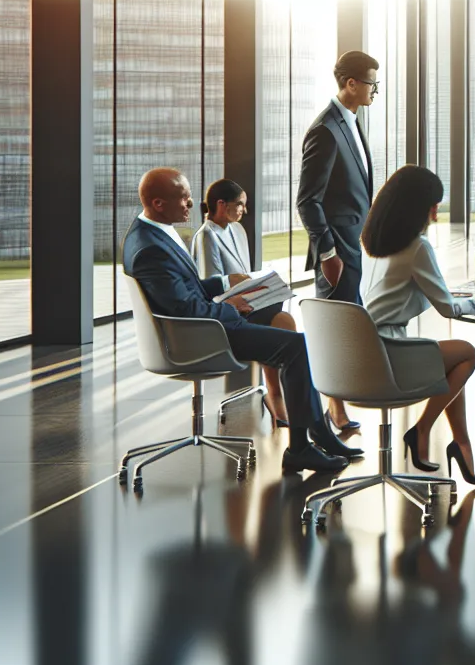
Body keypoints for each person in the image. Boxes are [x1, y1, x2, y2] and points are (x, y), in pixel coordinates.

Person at [123, 168, 360, 474]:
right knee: (297, 348)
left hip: (203, 324)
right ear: (158, 203)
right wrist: (230, 308)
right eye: (184, 198)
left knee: (277, 314)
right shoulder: (150, 249)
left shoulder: (152, 234)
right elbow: (186, 309)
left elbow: (184, 291)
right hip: (199, 335)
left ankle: (318, 434)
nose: (192, 203)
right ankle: (303, 447)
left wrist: (225, 284)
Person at [360, 165, 475, 486]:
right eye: (433, 205)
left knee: (449, 362)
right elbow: (447, 308)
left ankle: (461, 444)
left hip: (363, 350)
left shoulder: (372, 246)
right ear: (415, 209)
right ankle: (422, 429)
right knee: (466, 354)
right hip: (389, 354)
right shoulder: (418, 247)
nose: (437, 212)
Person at [296, 49, 379, 433]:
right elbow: (307, 201)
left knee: (344, 327)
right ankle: (331, 411)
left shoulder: (350, 122)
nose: (374, 91)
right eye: (372, 84)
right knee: (334, 330)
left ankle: (336, 406)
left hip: (350, 245)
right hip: (337, 252)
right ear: (351, 83)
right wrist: (328, 253)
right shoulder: (326, 130)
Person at [191, 178, 291, 426]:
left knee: (284, 320)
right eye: (240, 204)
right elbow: (212, 287)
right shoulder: (206, 236)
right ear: (221, 204)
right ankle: (276, 395)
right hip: (225, 316)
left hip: (246, 304)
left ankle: (276, 393)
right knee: (282, 328)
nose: (244, 210)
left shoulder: (237, 231)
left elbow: (243, 275)